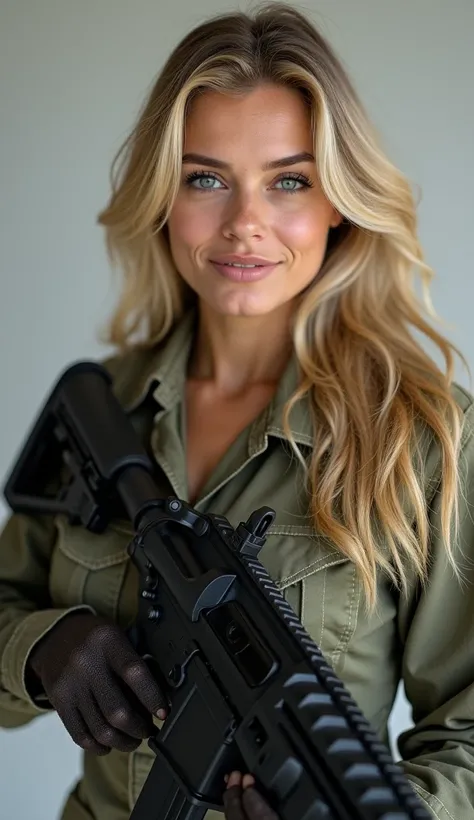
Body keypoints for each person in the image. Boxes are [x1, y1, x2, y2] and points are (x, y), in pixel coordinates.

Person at [1, 2, 473, 819]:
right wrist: (40, 648)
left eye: (289, 180)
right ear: (164, 197)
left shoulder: (423, 440)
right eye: (206, 178)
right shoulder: (105, 408)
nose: (244, 224)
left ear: (339, 204)